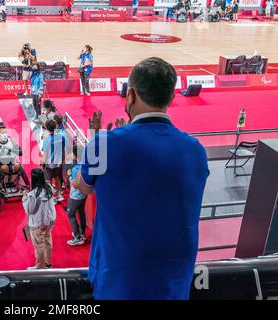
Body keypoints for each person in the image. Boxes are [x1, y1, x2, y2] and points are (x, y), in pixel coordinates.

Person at [76, 57, 209, 300]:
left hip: (118, 283)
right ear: (171, 98)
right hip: (175, 286)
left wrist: (94, 140)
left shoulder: (104, 144)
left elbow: (82, 187)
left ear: (131, 95)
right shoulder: (196, 150)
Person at [22, 168, 56, 270]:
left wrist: (24, 198)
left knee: (39, 245)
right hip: (49, 221)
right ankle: (48, 263)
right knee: (47, 241)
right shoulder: (49, 188)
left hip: (38, 223)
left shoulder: (34, 194)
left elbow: (30, 210)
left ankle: (40, 266)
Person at [66, 145, 87, 246]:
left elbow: (74, 185)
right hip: (84, 194)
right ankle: (82, 233)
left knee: (70, 214)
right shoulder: (86, 165)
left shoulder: (75, 170)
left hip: (75, 196)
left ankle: (77, 237)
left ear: (75, 155)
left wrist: (69, 175)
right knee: (81, 212)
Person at [42, 119, 66, 203]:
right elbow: (63, 150)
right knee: (57, 178)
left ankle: (52, 198)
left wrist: (42, 163)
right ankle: (59, 194)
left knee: (47, 181)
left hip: (49, 164)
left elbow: (45, 154)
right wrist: (62, 160)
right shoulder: (61, 137)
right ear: (55, 127)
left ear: (47, 128)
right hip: (58, 163)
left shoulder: (47, 140)